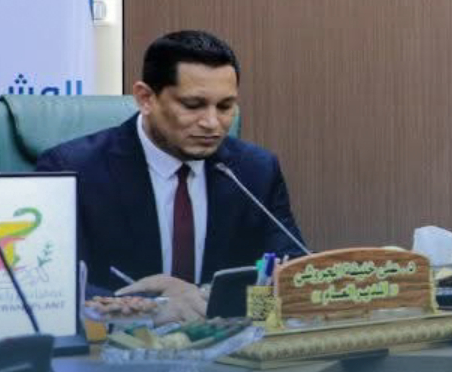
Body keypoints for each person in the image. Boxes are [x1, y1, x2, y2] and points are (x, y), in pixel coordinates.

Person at [37, 30, 303, 322]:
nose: (212, 123)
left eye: (225, 107)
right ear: (146, 98)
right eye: (193, 105)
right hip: (116, 344)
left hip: (227, 341)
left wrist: (221, 302)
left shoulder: (254, 170)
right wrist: (155, 305)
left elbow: (289, 271)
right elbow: (51, 287)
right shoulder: (73, 170)